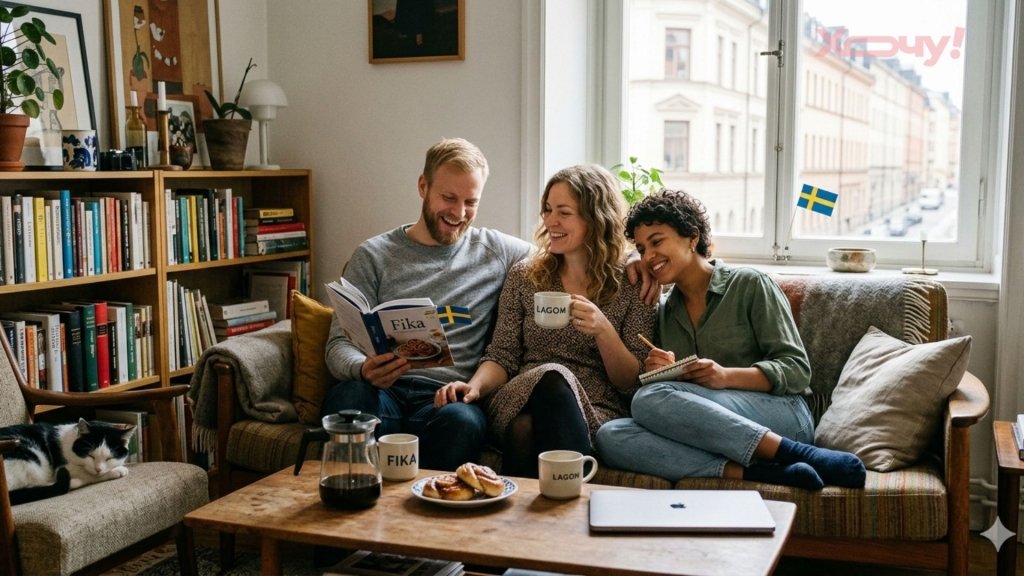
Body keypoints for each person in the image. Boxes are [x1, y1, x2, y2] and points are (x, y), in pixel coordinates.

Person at [322, 139, 658, 472]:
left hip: (447, 398)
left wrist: (635, 258)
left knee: (466, 423)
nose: (459, 213)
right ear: (423, 186)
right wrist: (363, 368)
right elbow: (338, 343)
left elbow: (577, 252)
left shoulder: (498, 253)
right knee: (348, 399)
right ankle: (357, 495)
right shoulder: (373, 256)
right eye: (449, 198)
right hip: (380, 390)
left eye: (470, 202)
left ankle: (434, 500)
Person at [594, 190, 866, 490]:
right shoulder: (665, 310)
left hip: (783, 416)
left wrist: (725, 376)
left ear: (692, 237)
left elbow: (797, 370)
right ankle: (763, 473)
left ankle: (797, 454)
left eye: (657, 242)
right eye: (642, 249)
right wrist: (663, 370)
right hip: (711, 426)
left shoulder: (750, 284)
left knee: (648, 399)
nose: (649, 256)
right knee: (610, 435)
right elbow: (681, 402)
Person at [434, 165, 657, 477]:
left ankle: (521, 504)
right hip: (518, 397)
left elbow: (630, 383)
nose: (551, 221)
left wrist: (604, 330)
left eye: (564, 212)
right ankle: (576, 491)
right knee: (552, 375)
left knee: (525, 429)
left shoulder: (633, 284)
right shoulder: (526, 276)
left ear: (596, 219)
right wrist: (473, 388)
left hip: (594, 409)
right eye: (548, 210)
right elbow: (502, 355)